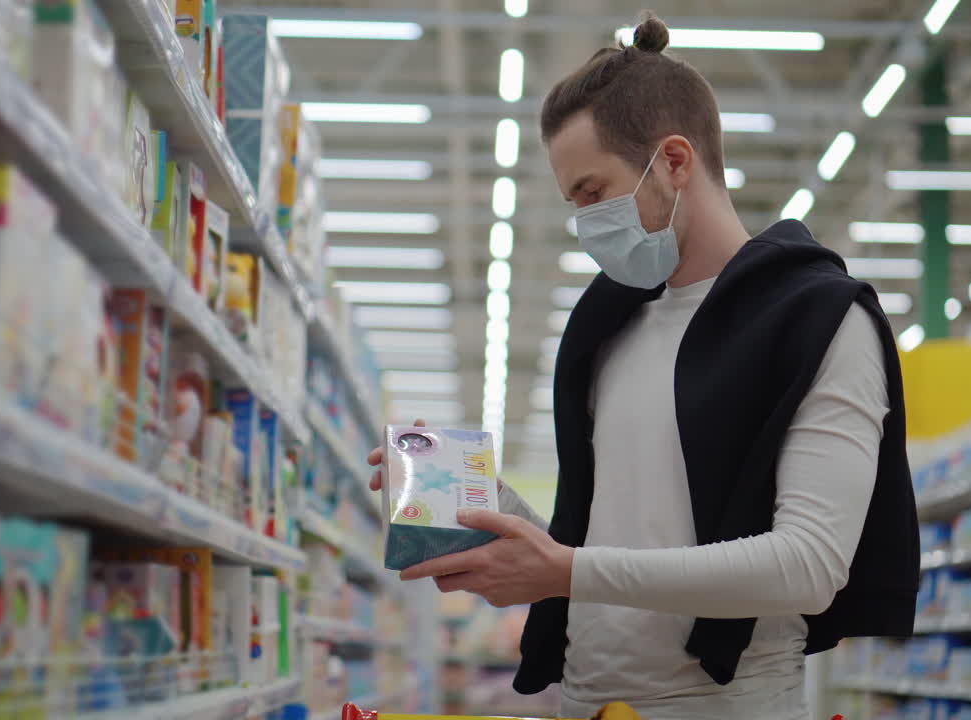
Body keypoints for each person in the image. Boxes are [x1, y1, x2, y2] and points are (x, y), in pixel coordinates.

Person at [366, 12, 918, 720]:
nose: (585, 222)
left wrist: (565, 569)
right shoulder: (608, 324)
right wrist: (485, 505)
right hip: (587, 702)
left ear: (675, 162)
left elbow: (808, 566)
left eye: (593, 193)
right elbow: (604, 548)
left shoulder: (817, 320)